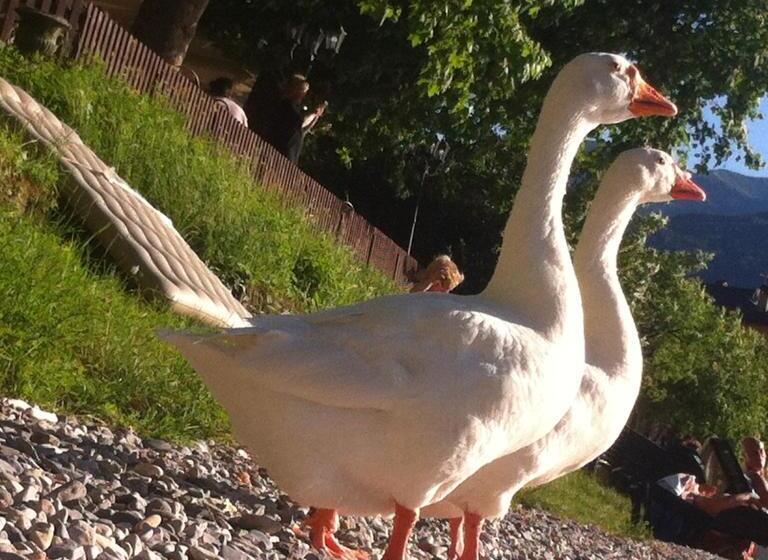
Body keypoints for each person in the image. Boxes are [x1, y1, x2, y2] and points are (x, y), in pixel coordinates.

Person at [262, 74, 326, 164]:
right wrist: (314, 114)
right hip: (281, 153)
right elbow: (301, 123)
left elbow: (302, 130)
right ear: (297, 90)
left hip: (290, 156)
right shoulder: (287, 106)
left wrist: (316, 117)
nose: (304, 95)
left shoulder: (295, 107)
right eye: (304, 91)